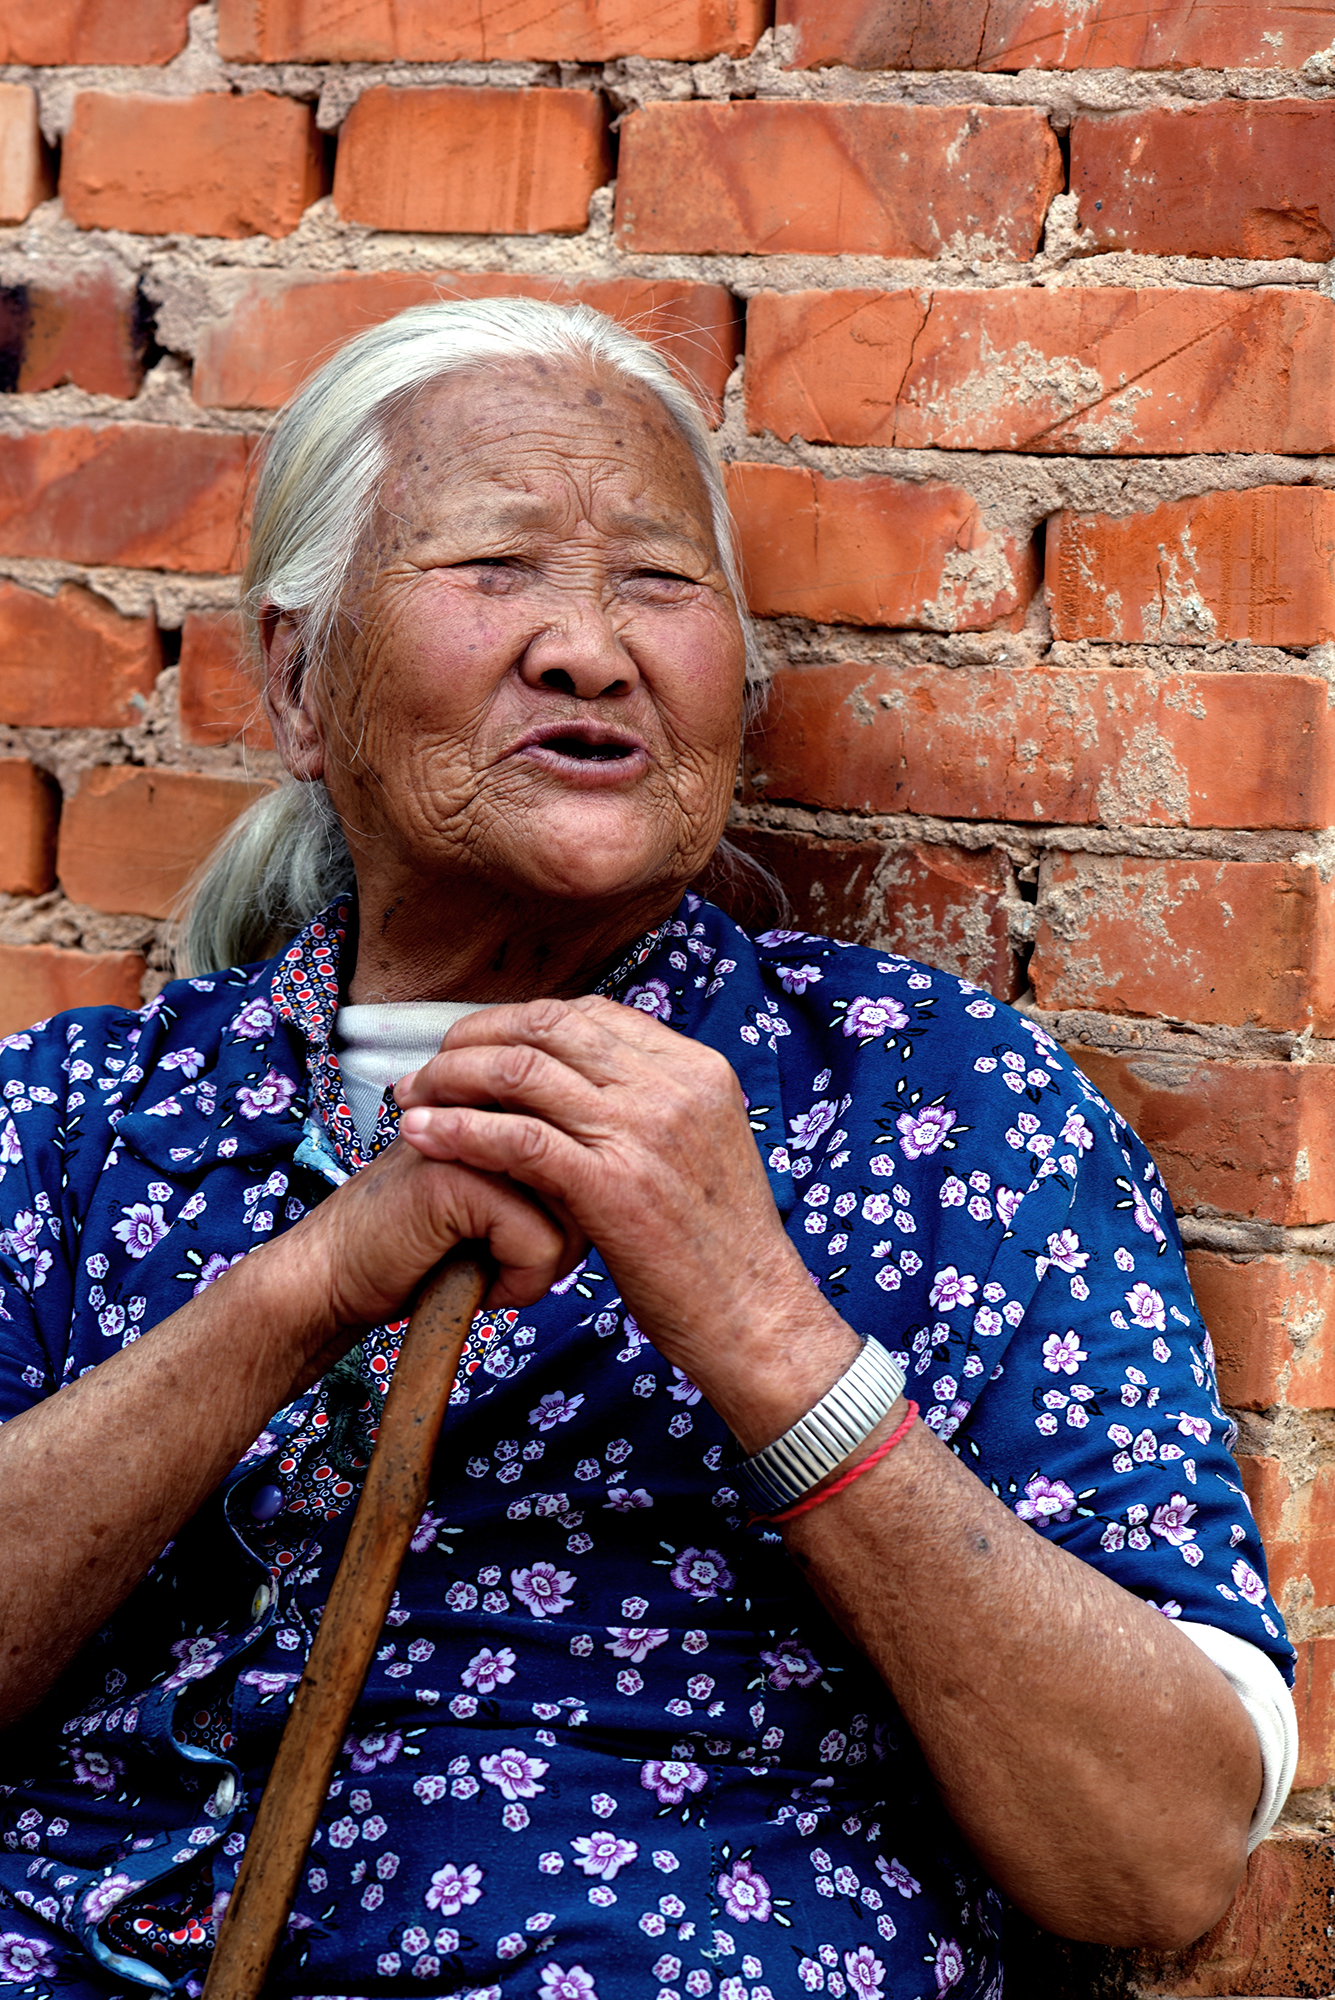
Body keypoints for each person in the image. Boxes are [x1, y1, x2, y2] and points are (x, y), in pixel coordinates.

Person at [0, 299, 1297, 2000]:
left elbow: (1159, 1854)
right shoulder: (84, 1116)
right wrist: (306, 1288)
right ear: (300, 682)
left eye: (659, 585)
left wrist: (757, 1319)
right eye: (498, 566)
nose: (590, 650)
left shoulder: (933, 1106)